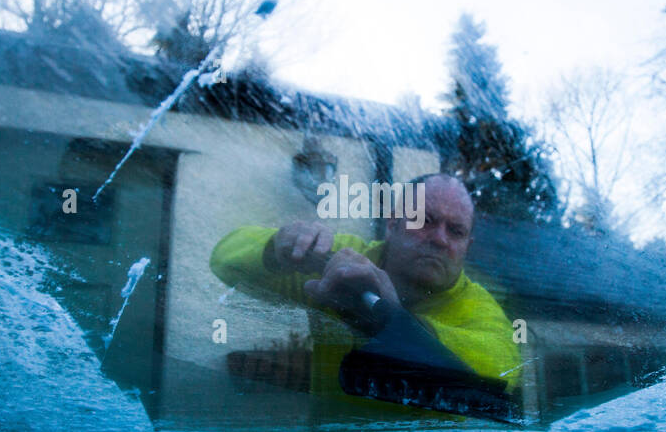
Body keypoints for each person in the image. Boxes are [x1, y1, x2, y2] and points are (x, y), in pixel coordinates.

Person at [209, 173, 522, 413]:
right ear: (392, 222)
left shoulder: (481, 308)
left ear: (468, 246)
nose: (440, 239)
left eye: (456, 231)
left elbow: (500, 376)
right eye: (424, 220)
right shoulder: (340, 262)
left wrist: (389, 320)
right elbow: (224, 260)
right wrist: (276, 246)